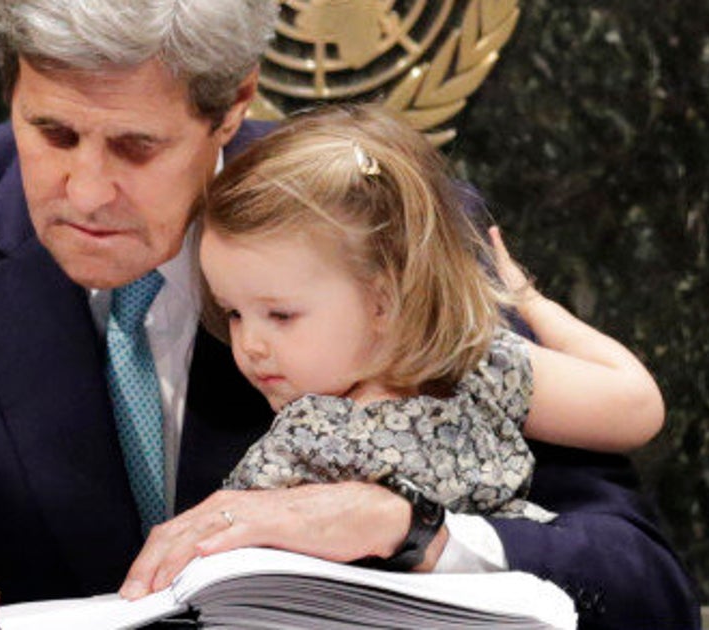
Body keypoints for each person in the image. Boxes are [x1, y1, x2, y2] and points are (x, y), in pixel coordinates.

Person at [0, 2, 698, 629]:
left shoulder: (375, 221)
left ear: (233, 111)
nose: (88, 191)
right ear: (10, 90)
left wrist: (413, 537)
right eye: (52, 134)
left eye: (137, 147)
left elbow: (644, 585)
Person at [198, 103, 664, 526]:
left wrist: (530, 303)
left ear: (384, 300)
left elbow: (636, 409)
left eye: (280, 315)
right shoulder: (294, 438)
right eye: (233, 314)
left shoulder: (477, 365)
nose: (249, 345)